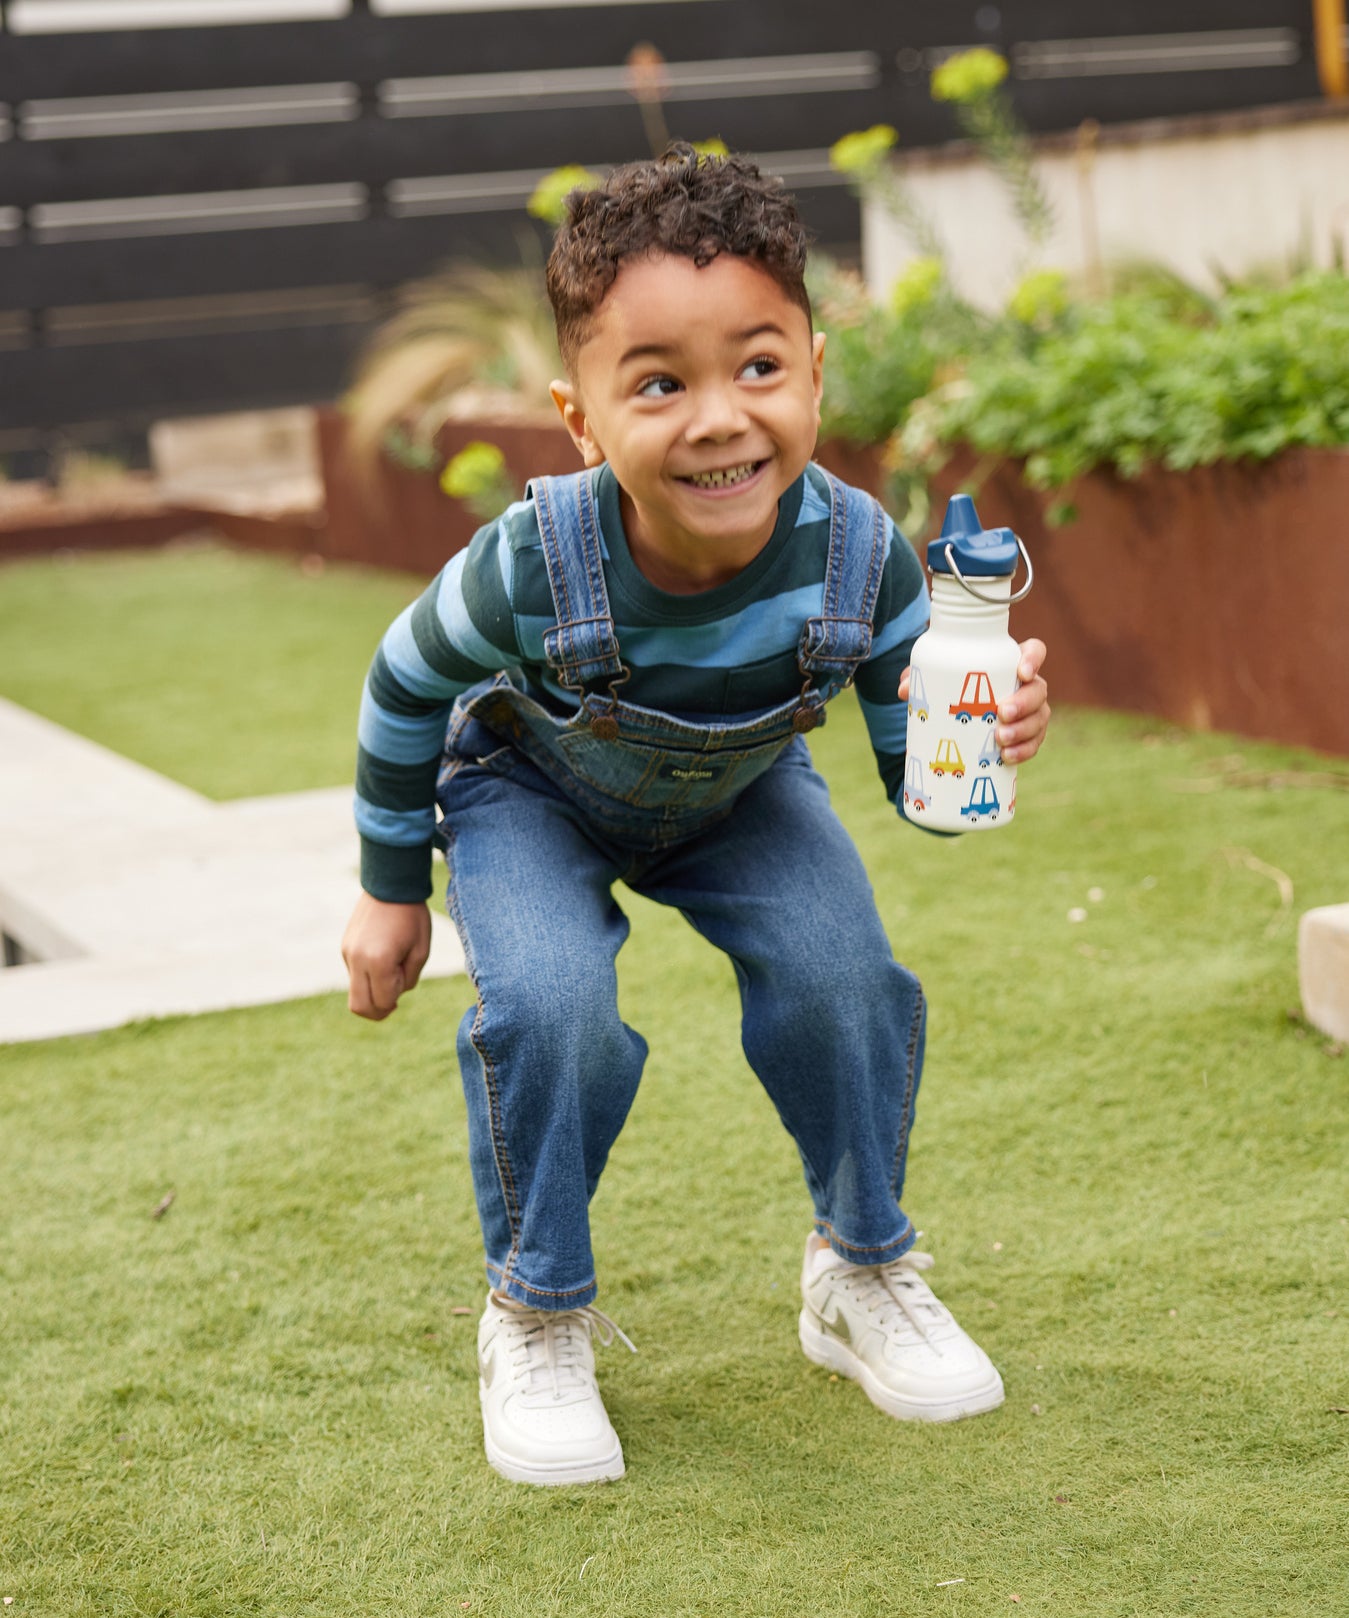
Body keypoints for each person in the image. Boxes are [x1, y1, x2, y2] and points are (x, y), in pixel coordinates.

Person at [341, 145, 1051, 1486]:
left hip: (741, 793)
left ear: (815, 370)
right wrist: (388, 886)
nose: (719, 416)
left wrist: (988, 734)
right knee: (549, 1006)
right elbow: (399, 683)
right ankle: (537, 1308)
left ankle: (859, 1267)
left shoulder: (862, 554)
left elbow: (930, 800)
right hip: (525, 792)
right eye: (659, 382)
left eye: (758, 367)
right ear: (580, 416)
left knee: (845, 974)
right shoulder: (525, 564)